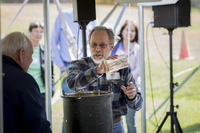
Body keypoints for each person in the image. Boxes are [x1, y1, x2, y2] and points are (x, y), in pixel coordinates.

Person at [66, 26, 143, 133]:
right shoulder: (79, 65)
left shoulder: (121, 67)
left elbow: (138, 105)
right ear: (89, 45)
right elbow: (71, 84)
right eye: (94, 44)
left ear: (112, 46)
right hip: (86, 126)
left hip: (114, 126)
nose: (97, 49)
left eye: (102, 45)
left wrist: (132, 96)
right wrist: (97, 71)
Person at [51, 8, 98, 133]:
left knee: (89, 110)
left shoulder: (92, 17)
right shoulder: (63, 16)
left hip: (90, 69)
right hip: (68, 67)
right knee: (70, 110)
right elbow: (52, 42)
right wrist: (61, 65)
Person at [2, 32, 52, 133]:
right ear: (22, 53)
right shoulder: (24, 81)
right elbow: (38, 125)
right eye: (31, 54)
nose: (32, 59)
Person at [111, 21, 140, 133]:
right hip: (116, 90)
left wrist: (126, 79)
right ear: (122, 31)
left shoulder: (137, 48)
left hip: (132, 89)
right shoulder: (115, 48)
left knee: (130, 121)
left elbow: (139, 69)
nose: (130, 32)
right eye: (127, 29)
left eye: (133, 30)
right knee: (116, 122)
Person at [27, 20, 55, 109]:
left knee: (43, 120)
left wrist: (51, 90)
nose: (38, 34)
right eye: (36, 31)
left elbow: (51, 72)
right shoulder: (23, 49)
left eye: (41, 32)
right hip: (26, 92)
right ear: (30, 32)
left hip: (42, 93)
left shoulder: (46, 50)